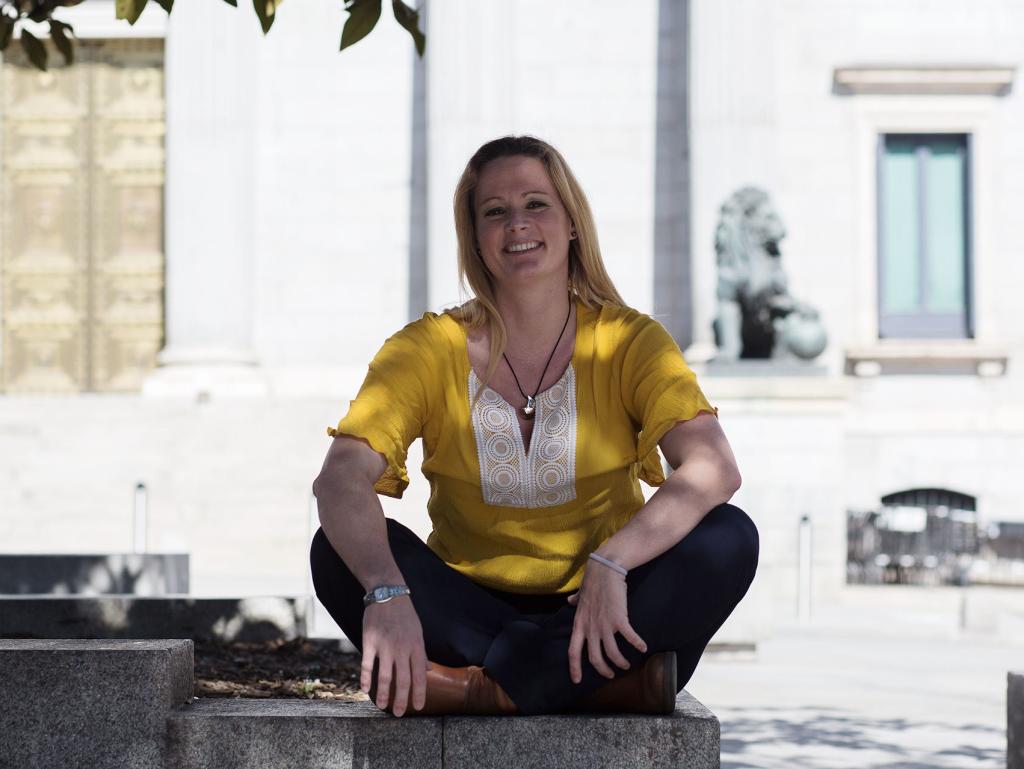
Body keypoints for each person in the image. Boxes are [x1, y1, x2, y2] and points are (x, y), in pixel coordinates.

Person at [310, 135, 759, 718]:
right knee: (337, 552)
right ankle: (607, 688)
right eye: (494, 212)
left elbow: (712, 467)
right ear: (475, 237)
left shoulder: (629, 342)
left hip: (603, 609)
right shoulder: (425, 349)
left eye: (536, 204)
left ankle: (479, 689)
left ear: (572, 222)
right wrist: (386, 592)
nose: (517, 224)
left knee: (730, 538)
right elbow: (340, 480)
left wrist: (612, 562)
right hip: (465, 606)